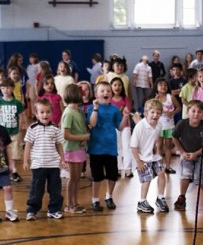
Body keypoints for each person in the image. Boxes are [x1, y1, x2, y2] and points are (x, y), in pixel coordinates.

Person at [172, 99, 203, 210]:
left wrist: (196, 154)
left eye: (199, 112)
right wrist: (182, 152)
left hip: (201, 155)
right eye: (193, 111)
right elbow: (175, 137)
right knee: (186, 174)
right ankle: (182, 197)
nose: (196, 114)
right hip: (186, 154)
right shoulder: (181, 124)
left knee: (199, 178)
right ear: (188, 112)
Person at [23, 98, 66, 220]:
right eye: (42, 112)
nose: (45, 114)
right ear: (36, 114)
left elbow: (59, 145)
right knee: (36, 189)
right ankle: (32, 210)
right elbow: (27, 146)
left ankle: (54, 209)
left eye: (48, 112)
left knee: (55, 189)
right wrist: (26, 161)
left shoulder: (55, 129)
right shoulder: (32, 128)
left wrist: (62, 160)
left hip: (53, 165)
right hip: (38, 165)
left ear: (52, 113)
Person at [87, 82, 122, 211]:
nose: (105, 93)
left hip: (111, 148)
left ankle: (109, 196)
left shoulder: (115, 109)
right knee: (97, 177)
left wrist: (126, 117)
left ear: (111, 94)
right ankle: (95, 199)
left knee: (112, 175)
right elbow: (92, 124)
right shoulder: (92, 108)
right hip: (96, 148)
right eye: (102, 91)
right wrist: (96, 108)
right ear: (96, 94)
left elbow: (120, 126)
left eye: (108, 90)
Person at [130, 99, 168, 214]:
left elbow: (156, 139)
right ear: (146, 113)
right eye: (152, 112)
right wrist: (138, 162)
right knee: (147, 179)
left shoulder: (159, 125)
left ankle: (160, 197)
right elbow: (133, 147)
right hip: (141, 157)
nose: (155, 115)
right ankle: (142, 202)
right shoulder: (140, 127)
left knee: (162, 174)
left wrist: (157, 151)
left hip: (152, 156)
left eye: (158, 113)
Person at [61, 84, 90, 214]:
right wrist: (83, 137)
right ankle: (68, 204)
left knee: (77, 178)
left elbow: (82, 128)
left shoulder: (78, 110)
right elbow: (65, 135)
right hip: (70, 150)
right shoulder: (68, 113)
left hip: (79, 149)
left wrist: (84, 138)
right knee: (72, 178)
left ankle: (75, 202)